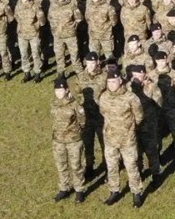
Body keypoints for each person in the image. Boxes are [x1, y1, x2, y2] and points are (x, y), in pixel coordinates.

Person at [98, 68, 146, 207]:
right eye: (109, 82)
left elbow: (139, 116)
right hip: (110, 138)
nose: (112, 84)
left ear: (120, 80)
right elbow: (103, 112)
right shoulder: (104, 97)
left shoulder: (131, 97)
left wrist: (129, 128)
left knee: (131, 166)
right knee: (112, 166)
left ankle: (136, 192)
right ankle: (114, 191)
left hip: (127, 139)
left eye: (114, 81)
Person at [50, 77, 87, 202]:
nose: (58, 92)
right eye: (57, 90)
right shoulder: (54, 103)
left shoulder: (75, 104)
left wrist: (75, 133)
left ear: (66, 90)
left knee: (76, 166)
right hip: (58, 141)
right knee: (61, 166)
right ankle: (64, 188)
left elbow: (82, 121)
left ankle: (79, 190)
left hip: (73, 141)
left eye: (61, 90)